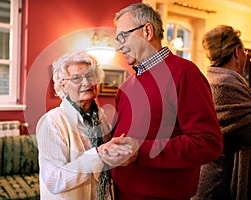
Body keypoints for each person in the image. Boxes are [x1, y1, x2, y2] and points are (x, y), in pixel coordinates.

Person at [100, 3, 224, 200]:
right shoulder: (126, 87)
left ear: (147, 31)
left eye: (122, 37)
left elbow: (208, 143)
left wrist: (140, 151)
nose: (118, 46)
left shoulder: (185, 74)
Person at [36, 51, 136, 200]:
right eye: (77, 78)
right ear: (63, 84)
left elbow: (108, 161)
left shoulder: (100, 117)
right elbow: (54, 180)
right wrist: (98, 155)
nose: (86, 83)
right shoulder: (51, 122)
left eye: (90, 76)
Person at [192, 25, 251, 200]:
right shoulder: (226, 84)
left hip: (209, 176)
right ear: (237, 52)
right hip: (219, 181)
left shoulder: (212, 79)